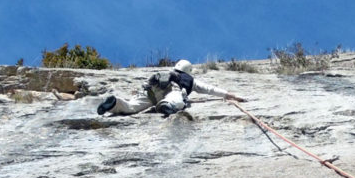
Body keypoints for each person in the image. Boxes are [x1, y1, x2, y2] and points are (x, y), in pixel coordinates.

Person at [96, 59, 245, 117]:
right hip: (169, 91)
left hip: (150, 91)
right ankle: (168, 106)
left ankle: (115, 103)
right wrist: (229, 95)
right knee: (177, 96)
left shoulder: (168, 72)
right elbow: (210, 89)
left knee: (132, 106)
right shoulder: (189, 79)